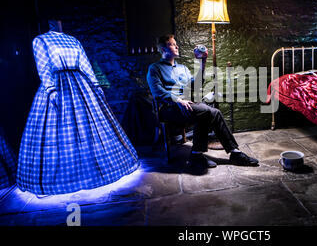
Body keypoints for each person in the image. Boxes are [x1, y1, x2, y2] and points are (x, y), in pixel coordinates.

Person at [17, 20, 139, 195]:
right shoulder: (40, 40)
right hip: (58, 85)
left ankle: (97, 171)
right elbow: (42, 67)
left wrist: (96, 86)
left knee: (91, 129)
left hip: (80, 84)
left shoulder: (73, 40)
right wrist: (51, 90)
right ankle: (64, 179)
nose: (57, 23)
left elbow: (85, 64)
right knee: (59, 132)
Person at [147, 34, 259, 169]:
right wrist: (178, 100)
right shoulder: (155, 68)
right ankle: (197, 156)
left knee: (214, 112)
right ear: (164, 49)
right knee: (206, 111)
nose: (177, 46)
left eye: (176, 43)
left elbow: (196, 85)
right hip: (169, 108)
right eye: (172, 44)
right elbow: (157, 92)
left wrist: (202, 62)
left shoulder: (182, 68)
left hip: (188, 105)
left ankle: (233, 153)